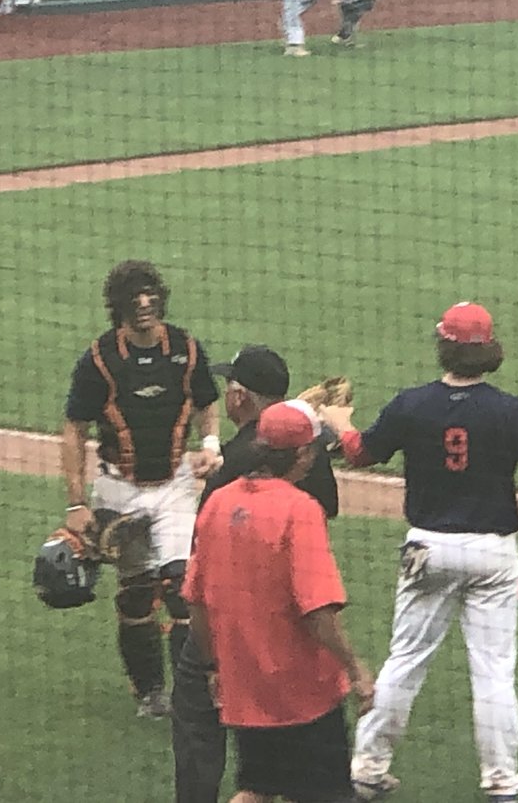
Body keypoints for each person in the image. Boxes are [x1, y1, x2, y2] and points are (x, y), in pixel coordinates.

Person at [318, 301, 518, 803]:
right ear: (488, 351)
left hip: (427, 549)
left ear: (443, 346)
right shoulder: (507, 411)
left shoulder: (412, 404)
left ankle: (367, 768)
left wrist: (339, 422)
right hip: (492, 555)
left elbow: (360, 453)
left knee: (405, 660)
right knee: (492, 670)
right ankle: (501, 781)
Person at [182, 400, 376, 803]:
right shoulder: (299, 510)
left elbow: (196, 602)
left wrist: (214, 664)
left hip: (244, 685)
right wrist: (355, 668)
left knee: (258, 789)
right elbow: (317, 611)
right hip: (303, 692)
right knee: (324, 795)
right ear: (302, 455)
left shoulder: (217, 503)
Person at [171, 344, 339, 803]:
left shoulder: (235, 472)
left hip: (231, 624)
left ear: (242, 397)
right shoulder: (312, 456)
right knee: (279, 760)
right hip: (291, 625)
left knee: (197, 726)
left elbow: (203, 557)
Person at [61, 260, 222, 719]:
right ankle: (150, 693)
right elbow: (73, 428)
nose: (146, 304)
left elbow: (207, 405)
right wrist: (76, 502)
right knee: (136, 594)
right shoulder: (100, 361)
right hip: (117, 490)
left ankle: (192, 695)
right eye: (136, 298)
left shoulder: (186, 350)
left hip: (175, 485)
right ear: (120, 308)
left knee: (182, 589)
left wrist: (210, 445)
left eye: (152, 295)